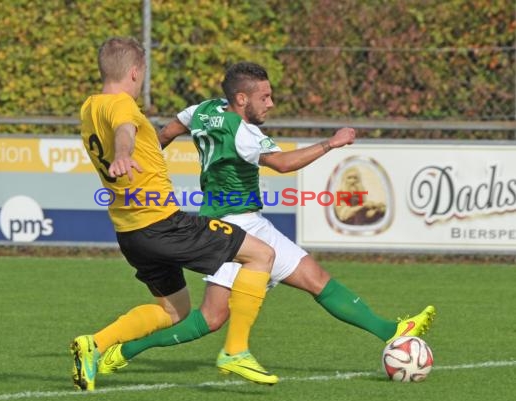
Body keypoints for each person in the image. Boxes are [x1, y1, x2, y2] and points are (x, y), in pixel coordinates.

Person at [96, 62, 436, 377]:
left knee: (316, 279)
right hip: (230, 229)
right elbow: (283, 164)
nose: (271, 103)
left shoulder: (203, 110)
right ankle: (124, 350)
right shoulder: (243, 132)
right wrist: (330, 143)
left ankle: (392, 330)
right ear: (241, 99)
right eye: (265, 97)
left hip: (250, 222)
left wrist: (141, 165)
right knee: (211, 318)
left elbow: (168, 132)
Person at [72, 38, 280, 391]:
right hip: (163, 223)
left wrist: (137, 148)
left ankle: (94, 345)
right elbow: (125, 129)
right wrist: (124, 153)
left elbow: (131, 132)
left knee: (174, 311)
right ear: (135, 72)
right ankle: (236, 351)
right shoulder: (121, 105)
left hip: (130, 231)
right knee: (262, 254)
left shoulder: (89, 107)